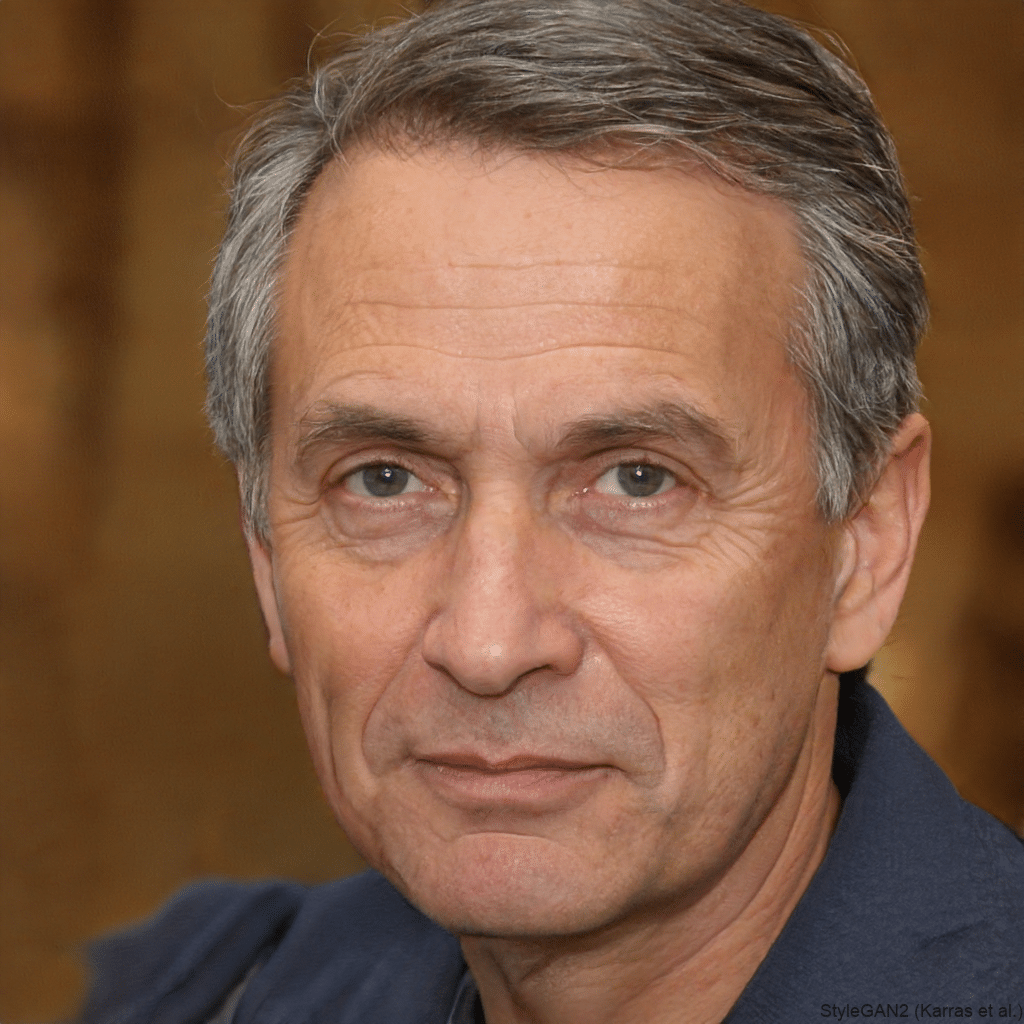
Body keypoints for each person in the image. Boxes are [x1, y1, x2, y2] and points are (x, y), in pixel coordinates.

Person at [78, 0, 1023, 1021]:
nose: (488, 644)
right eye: (385, 480)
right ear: (267, 556)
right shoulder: (224, 989)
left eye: (635, 479)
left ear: (866, 545)